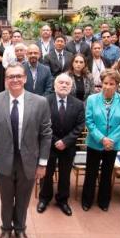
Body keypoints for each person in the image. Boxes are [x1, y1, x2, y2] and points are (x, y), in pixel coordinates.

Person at [0, 63, 52, 238]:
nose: (14, 80)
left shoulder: (40, 102)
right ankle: (6, 229)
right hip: (3, 160)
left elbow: (46, 134)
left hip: (29, 161)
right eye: (10, 77)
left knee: (23, 199)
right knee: (6, 198)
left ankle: (20, 229)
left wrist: (42, 163)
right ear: (5, 80)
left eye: (18, 76)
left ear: (25, 78)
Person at [82, 69, 120, 211]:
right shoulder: (92, 99)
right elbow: (89, 121)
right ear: (101, 83)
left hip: (113, 144)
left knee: (107, 173)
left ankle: (104, 201)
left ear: (117, 85)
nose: (108, 86)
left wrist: (111, 140)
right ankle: (87, 200)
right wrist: (102, 139)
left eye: (112, 84)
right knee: (91, 172)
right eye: (105, 83)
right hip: (95, 142)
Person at [37, 74, 84, 216]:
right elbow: (41, 124)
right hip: (49, 146)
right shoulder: (45, 101)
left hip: (68, 147)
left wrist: (66, 141)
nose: (64, 85)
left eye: (67, 83)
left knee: (65, 175)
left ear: (71, 87)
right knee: (47, 173)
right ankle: (44, 198)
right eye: (61, 83)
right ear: (55, 85)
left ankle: (63, 200)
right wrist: (55, 140)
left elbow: (80, 125)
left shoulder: (78, 104)